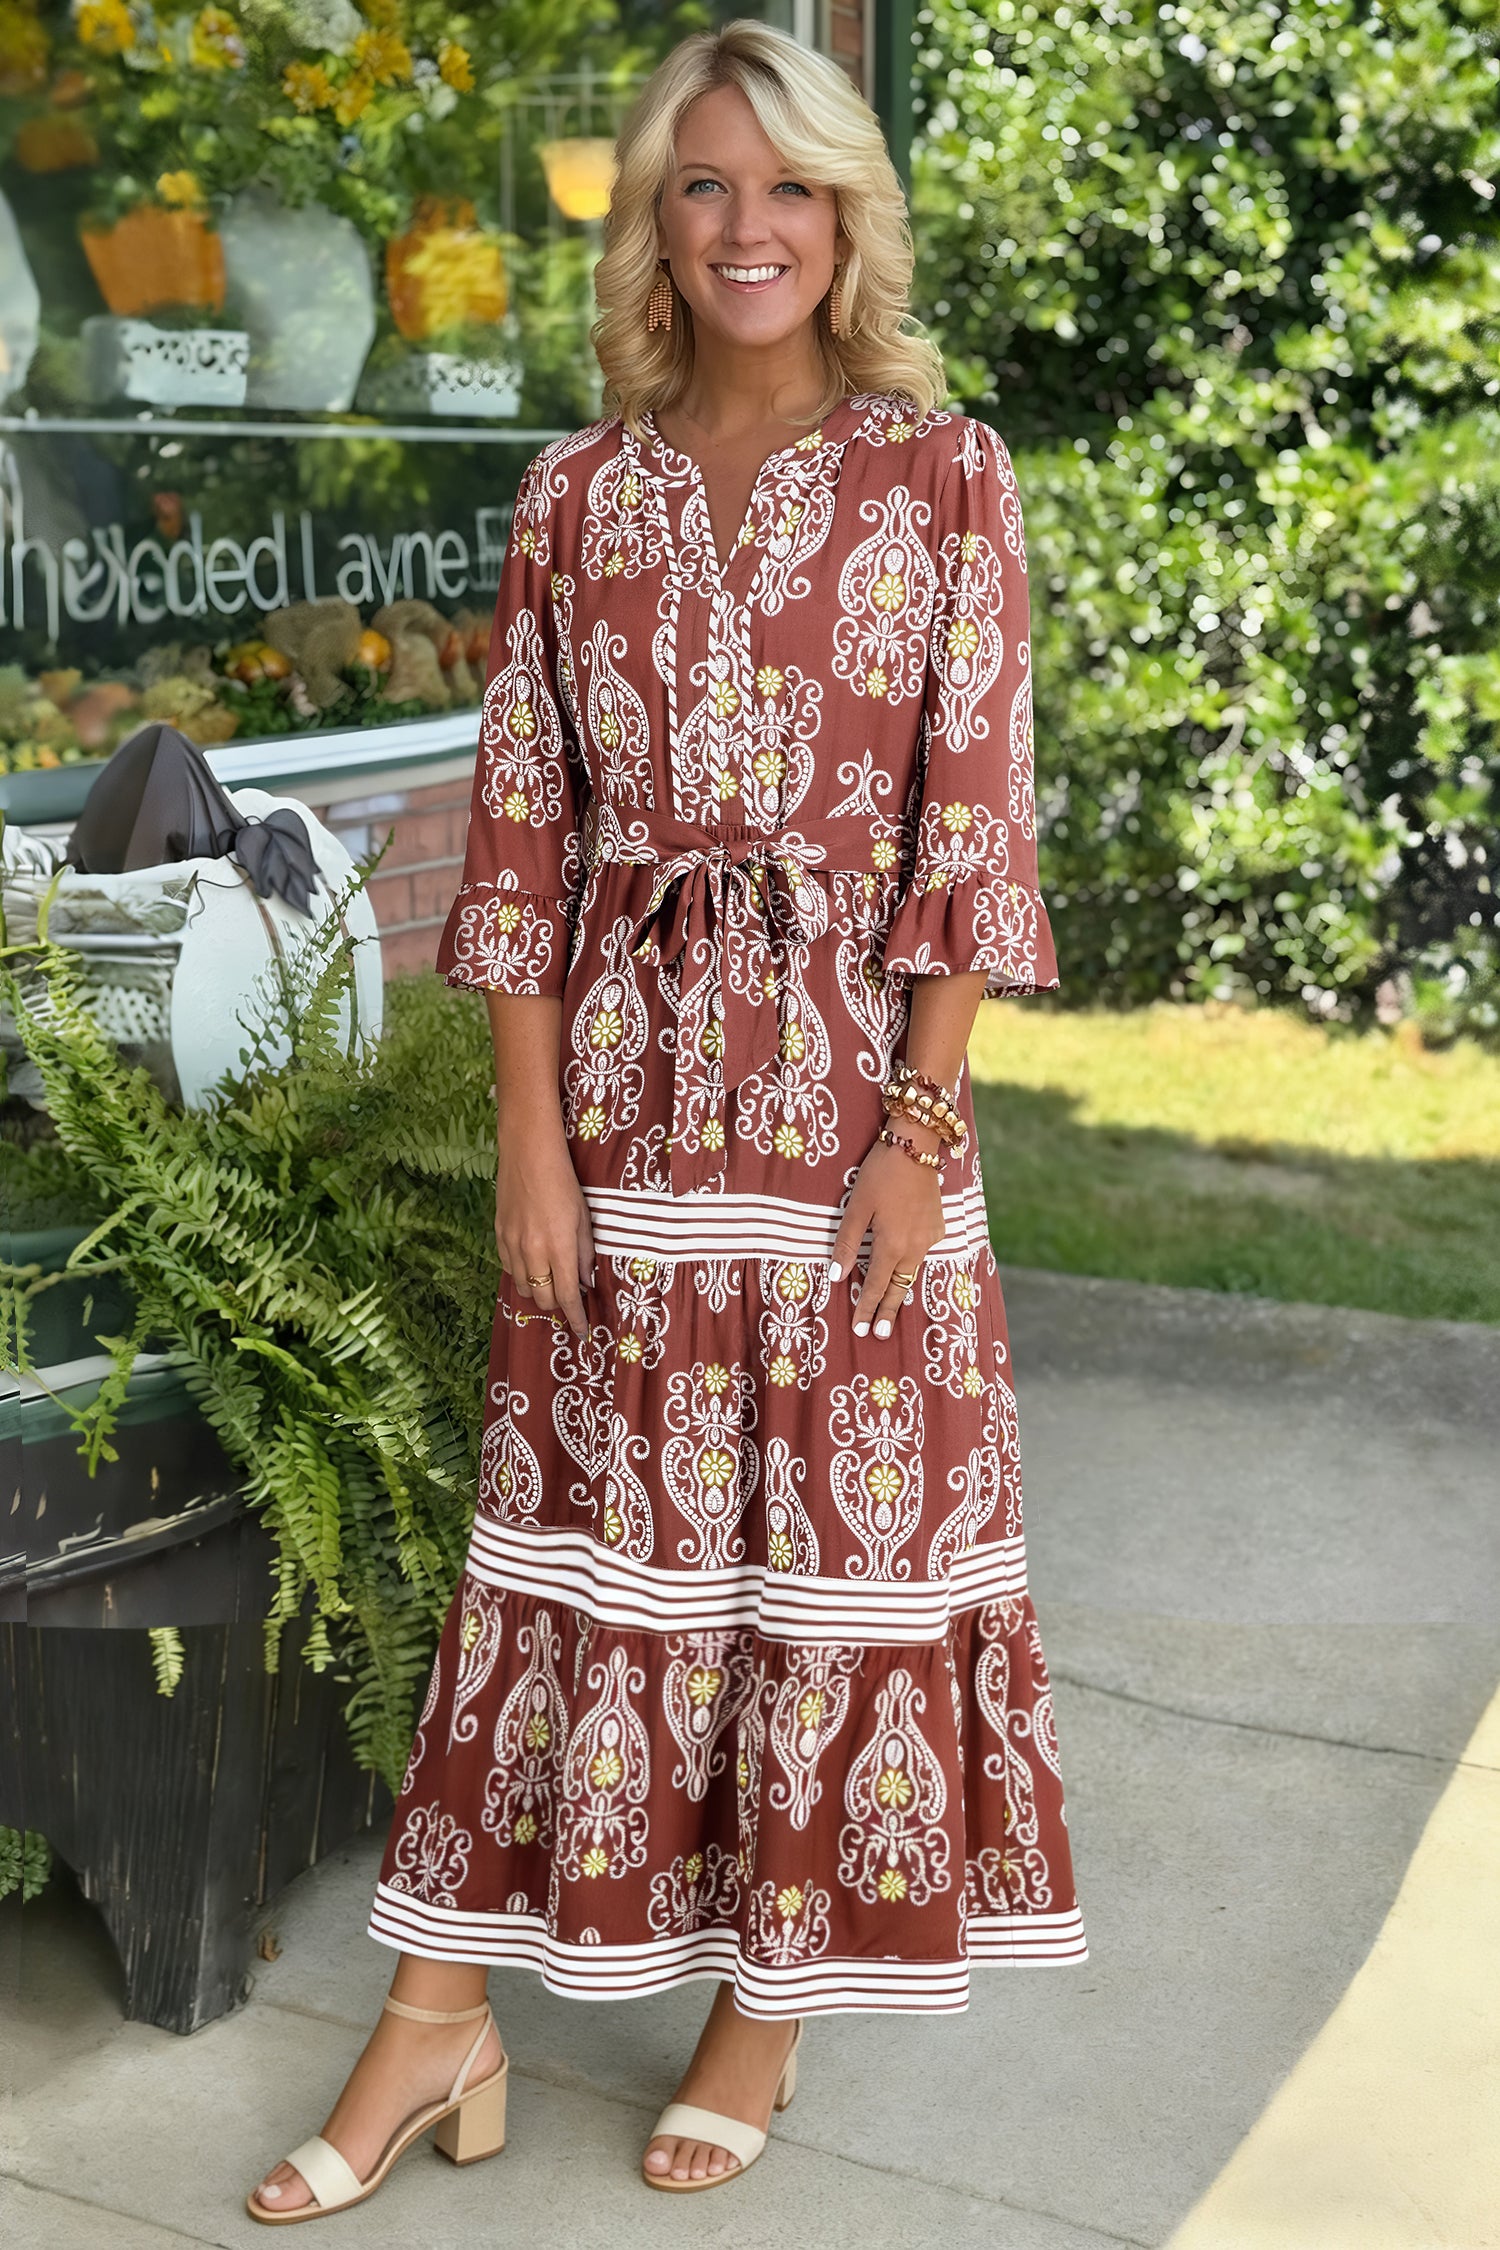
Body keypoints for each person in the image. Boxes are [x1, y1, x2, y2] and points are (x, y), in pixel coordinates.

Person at [248, 17, 1084, 2222]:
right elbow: (519, 842)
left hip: (844, 1126)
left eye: (789, 187)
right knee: (567, 1566)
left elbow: (970, 831)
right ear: (650, 220)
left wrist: (921, 1117)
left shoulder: (945, 476)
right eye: (703, 186)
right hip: (616, 1111)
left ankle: (760, 2016)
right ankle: (435, 2016)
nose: (747, 228)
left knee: (811, 1564)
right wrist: (530, 1138)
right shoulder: (570, 496)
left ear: (847, 219)